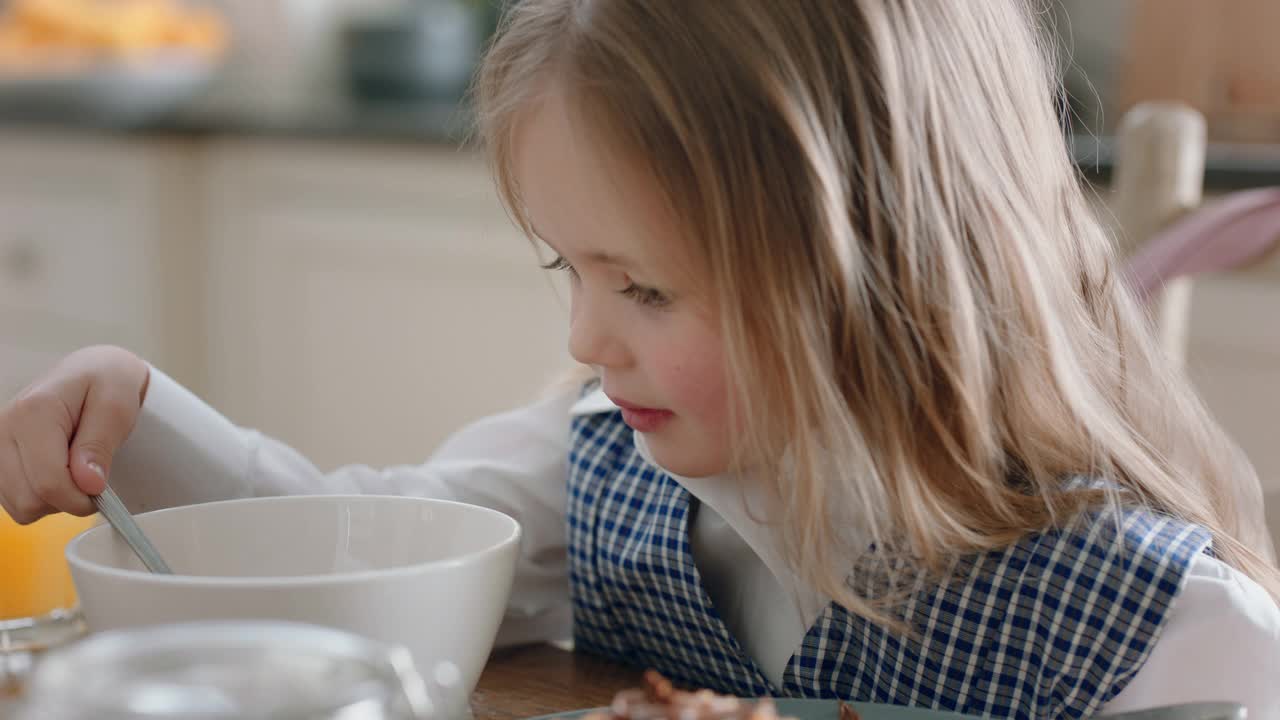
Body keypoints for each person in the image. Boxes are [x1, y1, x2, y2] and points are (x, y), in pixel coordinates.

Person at [3, 1, 1278, 716]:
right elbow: (361, 568)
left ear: (881, 270)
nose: (583, 340)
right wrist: (141, 418)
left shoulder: (1166, 632)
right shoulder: (599, 471)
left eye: (646, 287)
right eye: (574, 271)